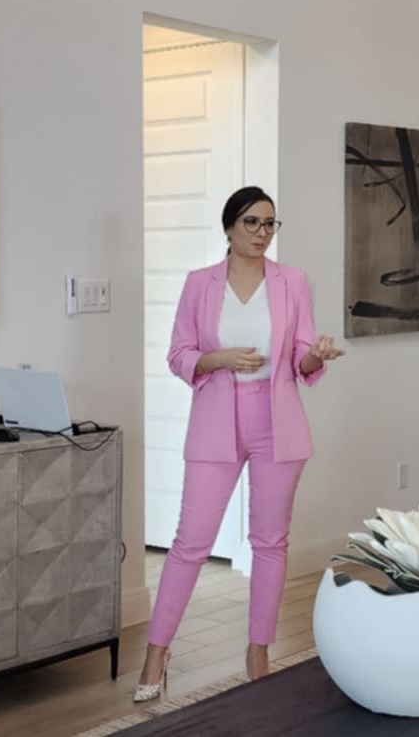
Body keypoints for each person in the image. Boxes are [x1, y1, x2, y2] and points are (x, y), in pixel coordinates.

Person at [134, 185, 344, 702]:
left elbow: (300, 360)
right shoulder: (199, 284)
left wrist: (317, 357)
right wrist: (219, 359)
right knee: (190, 543)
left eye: (270, 224)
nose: (262, 233)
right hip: (215, 420)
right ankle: (157, 653)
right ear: (229, 227)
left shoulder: (292, 282)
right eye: (251, 222)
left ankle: (258, 652)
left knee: (270, 543)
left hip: (278, 422)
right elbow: (179, 353)